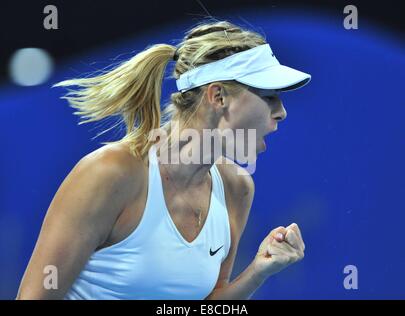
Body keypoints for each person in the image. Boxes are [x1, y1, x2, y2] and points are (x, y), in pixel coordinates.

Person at [17, 20, 310, 300]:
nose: (281, 111)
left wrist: (259, 270)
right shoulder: (110, 173)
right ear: (218, 96)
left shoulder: (238, 188)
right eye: (270, 96)